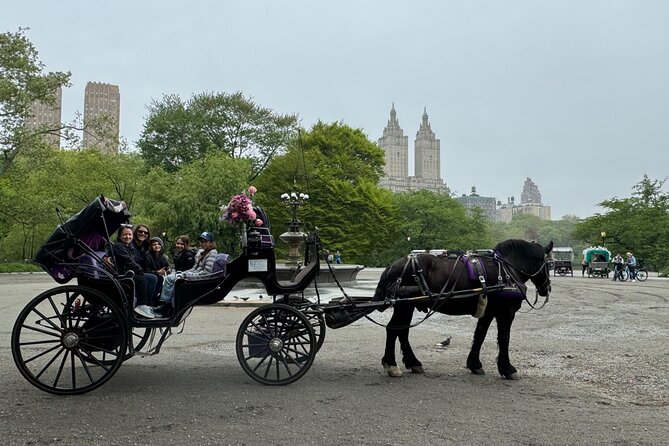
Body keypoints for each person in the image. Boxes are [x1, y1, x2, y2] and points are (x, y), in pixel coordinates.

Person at [152, 231, 219, 317]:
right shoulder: (202, 252)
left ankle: (165, 307)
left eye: (206, 241)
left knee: (171, 279)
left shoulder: (212, 254)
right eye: (202, 241)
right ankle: (165, 305)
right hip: (194, 276)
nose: (203, 243)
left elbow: (206, 274)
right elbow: (194, 269)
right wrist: (184, 273)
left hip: (201, 282)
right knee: (170, 278)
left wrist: (186, 275)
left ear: (211, 243)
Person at [109, 225, 154, 318]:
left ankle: (148, 305)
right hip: (121, 275)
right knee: (141, 279)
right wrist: (139, 270)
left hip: (128, 272)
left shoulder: (128, 247)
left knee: (152, 278)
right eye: (124, 235)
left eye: (129, 235)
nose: (127, 237)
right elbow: (128, 261)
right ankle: (142, 305)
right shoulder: (118, 246)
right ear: (120, 236)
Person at [129, 224, 159, 302]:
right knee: (152, 278)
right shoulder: (130, 244)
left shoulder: (145, 246)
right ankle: (146, 304)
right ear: (136, 232)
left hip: (141, 270)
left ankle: (153, 302)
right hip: (132, 271)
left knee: (159, 277)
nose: (143, 234)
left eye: (146, 233)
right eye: (140, 231)